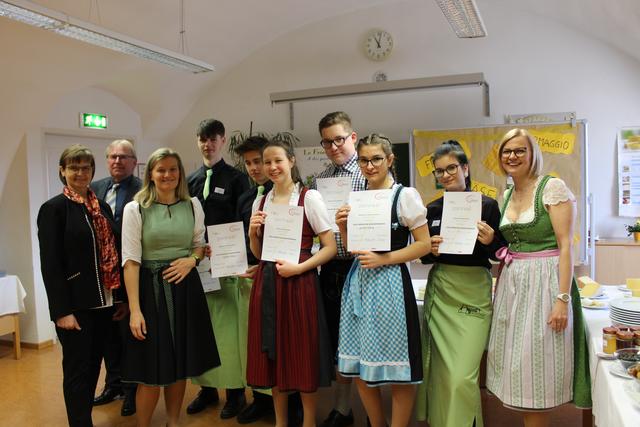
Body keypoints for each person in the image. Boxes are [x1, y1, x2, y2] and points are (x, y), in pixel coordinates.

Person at [485, 129, 591, 426]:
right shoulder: (506, 194)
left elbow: (565, 246)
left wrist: (562, 299)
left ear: (533, 155)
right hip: (513, 285)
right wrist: (493, 239)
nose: (512, 156)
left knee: (536, 369)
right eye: (507, 151)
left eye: (520, 150)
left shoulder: (552, 188)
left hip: (545, 284)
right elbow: (509, 245)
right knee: (517, 366)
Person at [335, 134, 430, 427]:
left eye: (377, 159)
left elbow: (424, 244)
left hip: (390, 283)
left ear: (389, 160)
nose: (370, 165)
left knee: (398, 365)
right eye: (364, 160)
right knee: (361, 363)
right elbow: (354, 248)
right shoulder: (357, 197)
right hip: (359, 282)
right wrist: (342, 226)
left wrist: (385, 259)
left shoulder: (405, 196)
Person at [121, 148, 220, 427]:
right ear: (150, 174)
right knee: (152, 369)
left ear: (180, 173)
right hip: (150, 293)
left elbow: (199, 245)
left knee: (180, 367)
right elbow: (130, 261)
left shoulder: (193, 205)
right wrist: (135, 311)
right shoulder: (135, 208)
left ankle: (173, 422)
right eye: (161, 170)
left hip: (185, 289)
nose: (167, 175)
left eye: (173, 169)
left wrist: (191, 260)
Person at [246, 139, 337, 427]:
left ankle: (309, 421)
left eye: (278, 161)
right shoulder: (260, 201)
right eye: (267, 162)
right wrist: (252, 234)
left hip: (300, 284)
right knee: (272, 354)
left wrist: (300, 268)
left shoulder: (309, 198)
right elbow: (259, 255)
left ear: (291, 161)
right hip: (268, 283)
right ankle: (280, 422)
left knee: (302, 355)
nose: (272, 167)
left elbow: (330, 247)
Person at [414, 141, 504, 427]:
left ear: (465, 168)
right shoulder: (432, 209)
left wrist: (491, 241)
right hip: (442, 291)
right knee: (440, 370)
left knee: (462, 375)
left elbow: (500, 254)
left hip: (474, 291)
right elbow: (425, 257)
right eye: (439, 171)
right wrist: (432, 249)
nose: (445, 175)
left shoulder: (487, 205)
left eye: (451, 168)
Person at [38, 144, 125, 427]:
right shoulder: (53, 209)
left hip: (105, 302)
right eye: (73, 167)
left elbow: (113, 254)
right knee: (78, 371)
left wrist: (120, 299)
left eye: (85, 167)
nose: (79, 172)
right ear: (62, 171)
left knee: (94, 368)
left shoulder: (102, 206)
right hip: (75, 307)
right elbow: (51, 265)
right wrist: (61, 311)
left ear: (92, 171)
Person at [186, 118, 251, 418]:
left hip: (228, 267)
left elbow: (244, 222)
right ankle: (207, 389)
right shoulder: (190, 180)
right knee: (202, 331)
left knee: (228, 334)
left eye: (213, 138)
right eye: (203, 138)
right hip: (198, 267)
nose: (207, 144)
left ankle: (235, 393)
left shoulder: (238, 179)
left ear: (223, 141)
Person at [312, 111, 366, 427]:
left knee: (367, 340)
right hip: (330, 268)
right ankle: (343, 408)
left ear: (353, 137)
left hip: (364, 267)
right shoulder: (320, 180)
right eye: (327, 141)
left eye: (339, 139)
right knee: (338, 342)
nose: (333, 147)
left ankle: (375, 412)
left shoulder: (371, 173)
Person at [91, 139, 141, 416]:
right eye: (112, 156)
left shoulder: (144, 190)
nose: (117, 161)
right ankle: (113, 384)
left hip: (131, 271)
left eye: (124, 157)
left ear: (135, 162)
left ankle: (131, 391)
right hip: (102, 275)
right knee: (108, 334)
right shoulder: (95, 188)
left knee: (128, 336)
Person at [233, 136, 276, 424]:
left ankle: (291, 402)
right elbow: (240, 239)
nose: (253, 168)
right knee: (256, 341)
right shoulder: (246, 199)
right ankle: (261, 400)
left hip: (280, 276)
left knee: (278, 340)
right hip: (252, 277)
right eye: (248, 163)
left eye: (258, 161)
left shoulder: (288, 193)